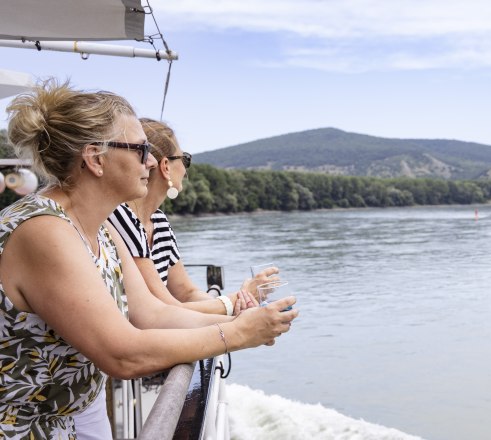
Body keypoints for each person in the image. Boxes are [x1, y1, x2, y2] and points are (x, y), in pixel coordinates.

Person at [0, 79, 298, 438]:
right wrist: (237, 334)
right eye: (141, 150)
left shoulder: (101, 229)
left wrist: (241, 316)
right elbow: (123, 354)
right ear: (96, 158)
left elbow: (152, 314)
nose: (154, 161)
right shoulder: (44, 230)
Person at [108, 118, 275, 316]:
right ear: (166, 167)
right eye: (185, 159)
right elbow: (166, 308)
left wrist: (240, 309)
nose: (187, 169)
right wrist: (238, 300)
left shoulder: (159, 222)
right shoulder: (121, 218)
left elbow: (186, 292)